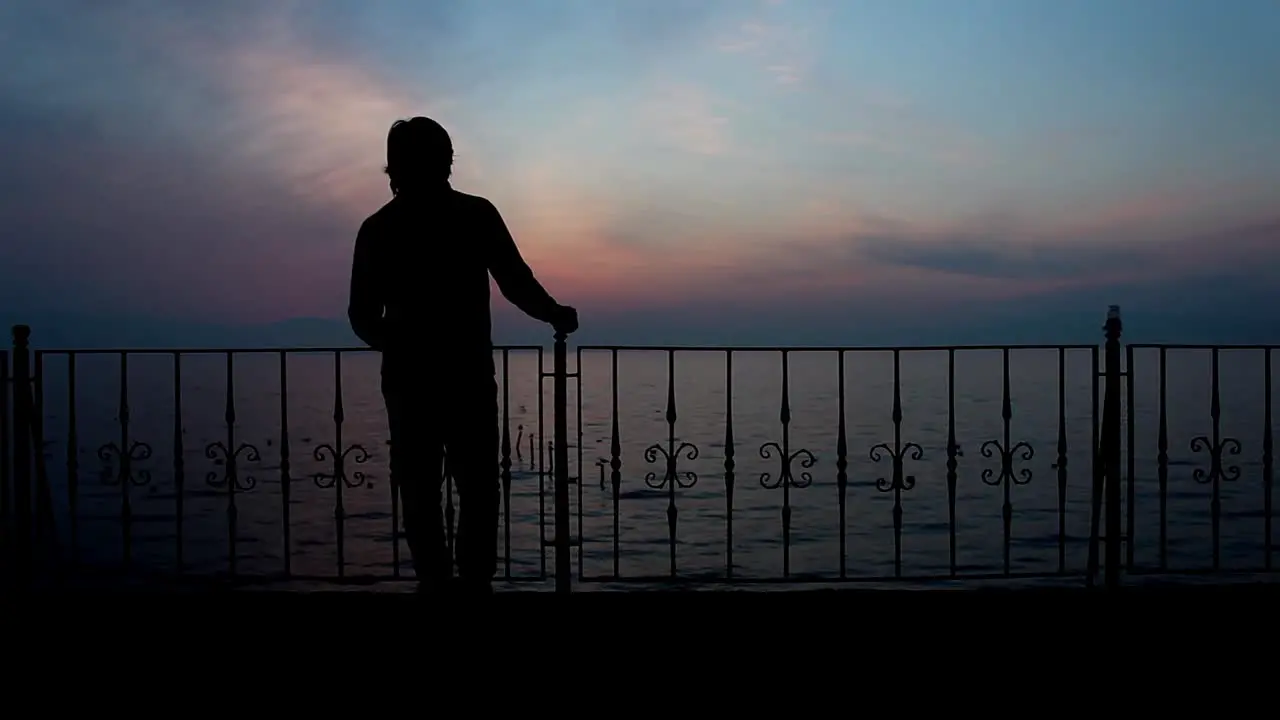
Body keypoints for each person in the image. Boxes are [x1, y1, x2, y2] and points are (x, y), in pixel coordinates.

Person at [347, 116, 578, 594]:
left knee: (421, 488)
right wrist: (554, 314)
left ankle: (436, 582)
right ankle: (474, 584)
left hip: (414, 378)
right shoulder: (474, 215)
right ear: (443, 159)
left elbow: (363, 316)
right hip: (466, 374)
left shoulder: (380, 228)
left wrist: (401, 343)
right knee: (474, 487)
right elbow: (515, 281)